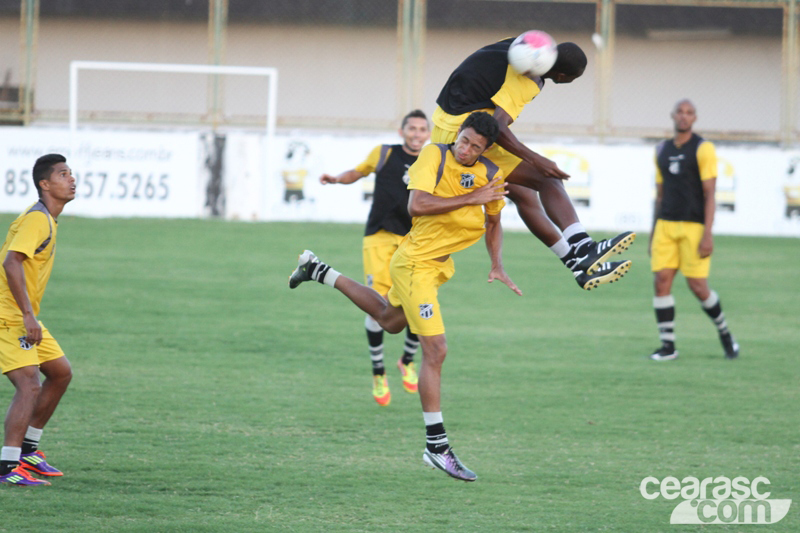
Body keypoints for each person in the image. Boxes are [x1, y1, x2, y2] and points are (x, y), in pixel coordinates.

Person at [290, 112, 519, 481]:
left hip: (435, 268)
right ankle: (437, 446)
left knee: (389, 320)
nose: (466, 150)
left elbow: (494, 222)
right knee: (437, 349)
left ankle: (318, 270)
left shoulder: (491, 173)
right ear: (457, 134)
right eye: (464, 141)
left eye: (476, 147)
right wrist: (471, 196)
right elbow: (418, 206)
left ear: (486, 148)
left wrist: (497, 263)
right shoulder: (434, 156)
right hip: (414, 265)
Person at [433, 35, 634, 290]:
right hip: (467, 136)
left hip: (445, 125)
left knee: (524, 194)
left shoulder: (523, 44)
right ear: (561, 75)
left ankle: (577, 266)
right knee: (547, 179)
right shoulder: (530, 78)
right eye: (572, 78)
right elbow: (497, 126)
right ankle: (584, 246)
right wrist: (536, 159)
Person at [319, 110, 430, 406]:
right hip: (379, 237)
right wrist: (337, 179)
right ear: (401, 131)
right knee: (377, 304)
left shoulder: (433, 159)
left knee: (419, 300)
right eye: (412, 128)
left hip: (414, 240)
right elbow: (358, 172)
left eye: (422, 129)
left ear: (428, 134)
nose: (417, 134)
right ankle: (378, 372)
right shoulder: (383, 153)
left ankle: (407, 360)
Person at [0, 154, 76, 486]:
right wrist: (28, 315)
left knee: (60, 373)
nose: (71, 179)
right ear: (45, 184)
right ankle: (7, 467)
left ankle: (29, 449)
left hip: (23, 313)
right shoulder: (36, 220)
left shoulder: (48, 219)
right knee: (29, 384)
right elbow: (11, 263)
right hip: (8, 315)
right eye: (62, 174)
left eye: (71, 173)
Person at [648, 99, 739, 361]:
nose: (684, 116)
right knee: (661, 282)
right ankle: (668, 347)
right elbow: (660, 195)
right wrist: (654, 231)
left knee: (698, 286)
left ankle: (725, 333)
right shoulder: (661, 149)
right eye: (680, 111)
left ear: (694, 118)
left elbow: (710, 194)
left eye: (689, 113)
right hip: (665, 225)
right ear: (672, 115)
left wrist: (708, 233)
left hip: (693, 227)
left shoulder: (703, 148)